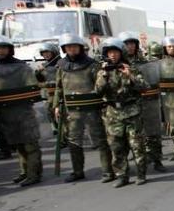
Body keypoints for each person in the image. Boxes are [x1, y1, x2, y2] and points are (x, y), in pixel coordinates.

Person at [54, 33, 113, 183]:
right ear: (64, 49)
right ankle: (77, 171)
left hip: (92, 109)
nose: (71, 49)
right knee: (74, 141)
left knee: (100, 140)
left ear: (80, 47)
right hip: (72, 111)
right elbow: (58, 88)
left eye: (74, 46)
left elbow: (100, 87)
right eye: (68, 47)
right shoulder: (61, 66)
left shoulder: (92, 65)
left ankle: (108, 171)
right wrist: (56, 105)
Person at [0, 36, 43, 187]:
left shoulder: (22, 68)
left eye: (4, 48)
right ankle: (25, 172)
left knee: (30, 144)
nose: (1, 51)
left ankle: (34, 173)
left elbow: (33, 89)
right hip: (5, 113)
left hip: (24, 111)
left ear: (10, 49)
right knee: (18, 144)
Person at [94, 38, 148, 187]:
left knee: (136, 145)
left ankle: (141, 174)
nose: (113, 55)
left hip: (132, 112)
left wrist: (129, 75)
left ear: (121, 53)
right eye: (110, 52)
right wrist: (104, 76)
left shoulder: (131, 68)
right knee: (117, 147)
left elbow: (144, 87)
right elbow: (98, 91)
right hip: (113, 114)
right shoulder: (102, 71)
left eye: (115, 52)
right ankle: (122, 176)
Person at [123, 32, 166, 172]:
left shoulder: (147, 61)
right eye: (126, 44)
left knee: (153, 132)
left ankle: (157, 160)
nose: (130, 47)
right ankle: (140, 163)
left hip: (149, 101)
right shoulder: (119, 64)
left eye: (132, 44)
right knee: (134, 136)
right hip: (129, 105)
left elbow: (154, 80)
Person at [34, 42, 62, 135]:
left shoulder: (62, 63)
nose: (45, 55)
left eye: (47, 52)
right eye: (43, 53)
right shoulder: (42, 66)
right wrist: (38, 73)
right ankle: (56, 128)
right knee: (50, 112)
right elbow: (38, 83)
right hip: (49, 95)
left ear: (54, 52)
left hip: (61, 94)